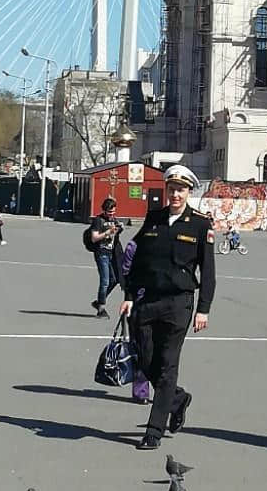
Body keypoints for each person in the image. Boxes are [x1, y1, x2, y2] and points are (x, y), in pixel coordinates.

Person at [120, 164, 216, 450]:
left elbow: (208, 272)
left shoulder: (200, 224)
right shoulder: (153, 218)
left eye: (181, 190)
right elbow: (137, 261)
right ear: (166, 191)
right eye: (172, 189)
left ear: (188, 193)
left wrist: (204, 309)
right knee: (146, 360)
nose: (176, 195)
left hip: (178, 304)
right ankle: (177, 399)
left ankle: (153, 431)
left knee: (167, 366)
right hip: (147, 300)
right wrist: (127, 294)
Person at [121, 239, 151, 405]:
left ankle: (165, 392)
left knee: (162, 353)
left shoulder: (166, 241)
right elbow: (126, 273)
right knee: (140, 349)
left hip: (163, 303)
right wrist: (129, 298)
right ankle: (141, 391)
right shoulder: (134, 245)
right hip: (139, 303)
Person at [90, 198, 124, 318]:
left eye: (114, 212)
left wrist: (119, 229)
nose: (112, 214)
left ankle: (99, 300)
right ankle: (101, 309)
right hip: (101, 253)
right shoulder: (98, 221)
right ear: (104, 211)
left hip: (112, 253)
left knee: (114, 279)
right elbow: (94, 238)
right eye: (109, 212)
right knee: (105, 281)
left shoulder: (114, 220)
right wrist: (108, 232)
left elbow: (115, 236)